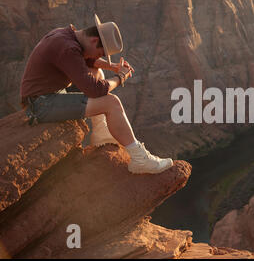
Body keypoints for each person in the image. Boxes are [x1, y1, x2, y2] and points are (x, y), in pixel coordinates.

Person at [20, 14, 173, 174]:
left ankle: (101, 133)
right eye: (100, 54)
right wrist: (120, 77)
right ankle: (140, 160)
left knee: (97, 72)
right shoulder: (67, 47)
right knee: (111, 102)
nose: (98, 57)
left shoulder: (66, 35)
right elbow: (95, 90)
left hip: (46, 96)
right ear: (94, 40)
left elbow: (84, 60)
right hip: (41, 105)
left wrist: (111, 66)